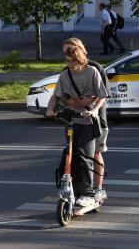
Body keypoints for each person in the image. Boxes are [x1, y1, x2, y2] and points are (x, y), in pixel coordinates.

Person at [47, 39, 108, 207]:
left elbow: (102, 95)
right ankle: (71, 188)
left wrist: (94, 110)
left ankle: (89, 192)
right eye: (68, 61)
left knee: (86, 156)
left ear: (81, 58)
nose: (71, 65)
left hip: (90, 121)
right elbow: (56, 96)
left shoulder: (93, 71)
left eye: (73, 61)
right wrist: (50, 109)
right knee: (70, 155)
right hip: (73, 121)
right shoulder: (65, 75)